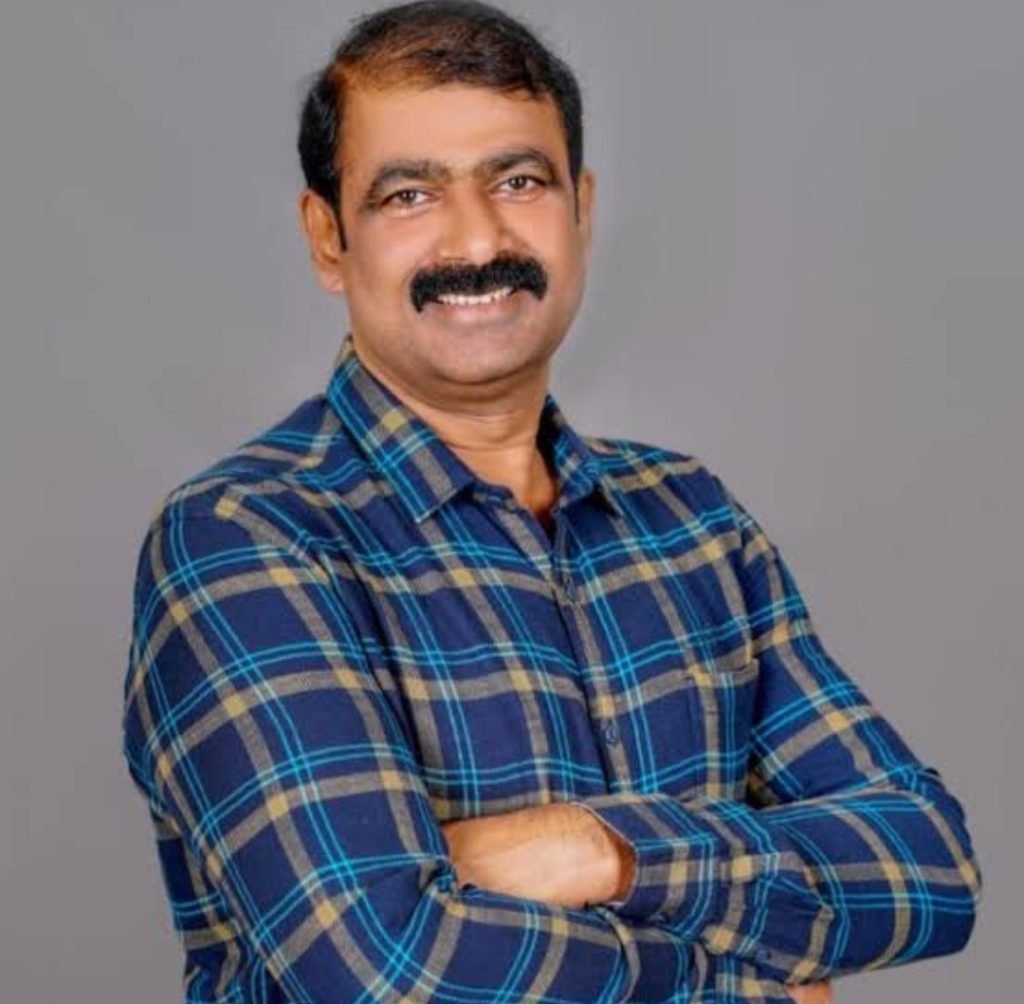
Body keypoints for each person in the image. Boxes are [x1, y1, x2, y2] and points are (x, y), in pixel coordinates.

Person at [121, 3, 981, 1002]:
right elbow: (382, 971)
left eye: (518, 181)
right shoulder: (246, 539)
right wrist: (741, 978)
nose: (476, 237)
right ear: (328, 238)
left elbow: (929, 866)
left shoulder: (691, 521)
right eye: (408, 194)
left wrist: (604, 851)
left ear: (582, 208)